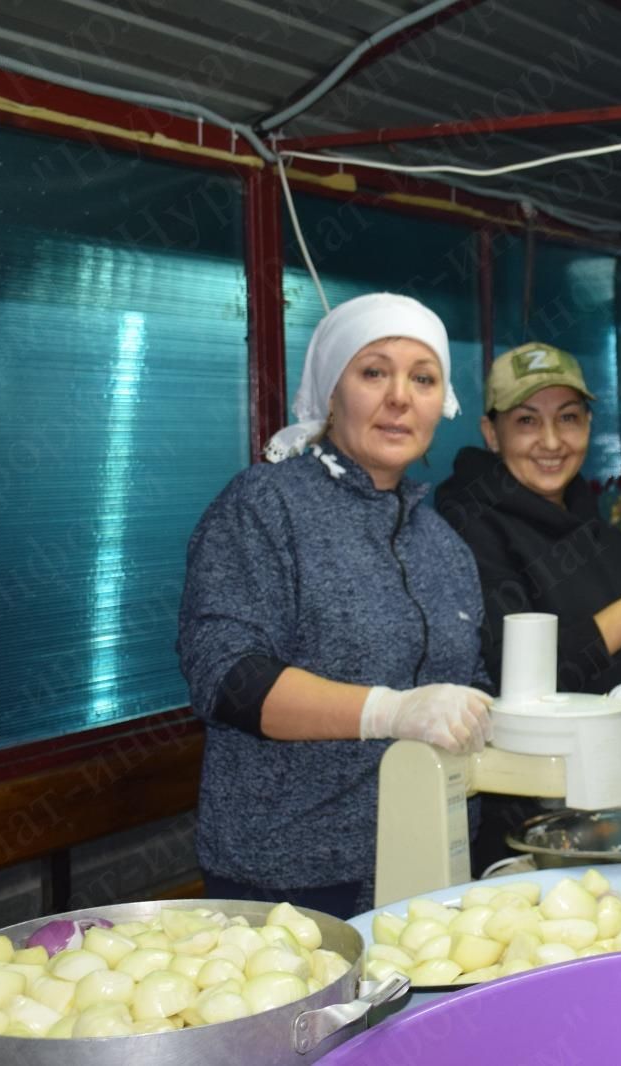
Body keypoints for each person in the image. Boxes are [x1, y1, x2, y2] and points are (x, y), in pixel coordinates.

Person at [177, 293, 493, 919]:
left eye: (423, 379)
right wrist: (387, 710)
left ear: (441, 405)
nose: (400, 397)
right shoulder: (265, 507)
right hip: (291, 888)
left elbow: (469, 692)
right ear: (329, 392)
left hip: (433, 865)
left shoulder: (444, 545)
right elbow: (226, 678)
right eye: (374, 371)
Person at [434, 342, 621, 870]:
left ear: (589, 425)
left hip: (614, 814)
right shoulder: (464, 528)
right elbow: (520, 676)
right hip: (521, 837)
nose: (551, 441)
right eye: (527, 421)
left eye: (568, 419)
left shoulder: (609, 543)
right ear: (490, 432)